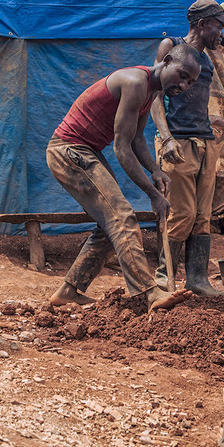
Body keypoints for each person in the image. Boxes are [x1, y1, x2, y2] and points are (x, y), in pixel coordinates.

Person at [48, 45, 200, 313]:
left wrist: (154, 170)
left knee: (110, 225)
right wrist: (153, 194)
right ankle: (149, 292)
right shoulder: (135, 82)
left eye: (190, 82)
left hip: (85, 151)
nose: (184, 85)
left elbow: (137, 138)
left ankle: (69, 291)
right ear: (166, 61)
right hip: (69, 151)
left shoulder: (151, 91)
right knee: (122, 217)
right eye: (183, 75)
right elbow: (121, 147)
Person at [149, 0, 224, 297]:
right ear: (202, 24)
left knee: (202, 216)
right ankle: (164, 278)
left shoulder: (206, 59)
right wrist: (167, 138)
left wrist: (213, 120)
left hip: (205, 142)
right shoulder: (171, 46)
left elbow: (190, 102)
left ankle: (197, 279)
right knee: (181, 214)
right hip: (178, 142)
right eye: (219, 26)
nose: (222, 33)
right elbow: (155, 96)